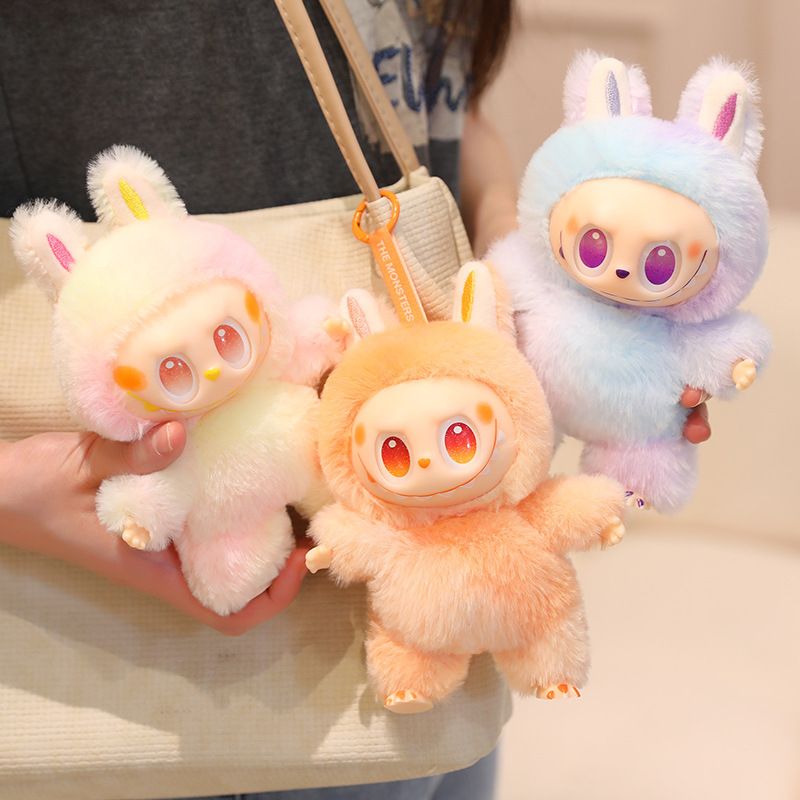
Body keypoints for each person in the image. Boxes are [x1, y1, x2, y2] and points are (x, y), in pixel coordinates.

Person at [0, 2, 710, 797]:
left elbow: (440, 103)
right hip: (157, 658)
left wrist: (520, 262)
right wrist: (17, 491)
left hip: (439, 636)